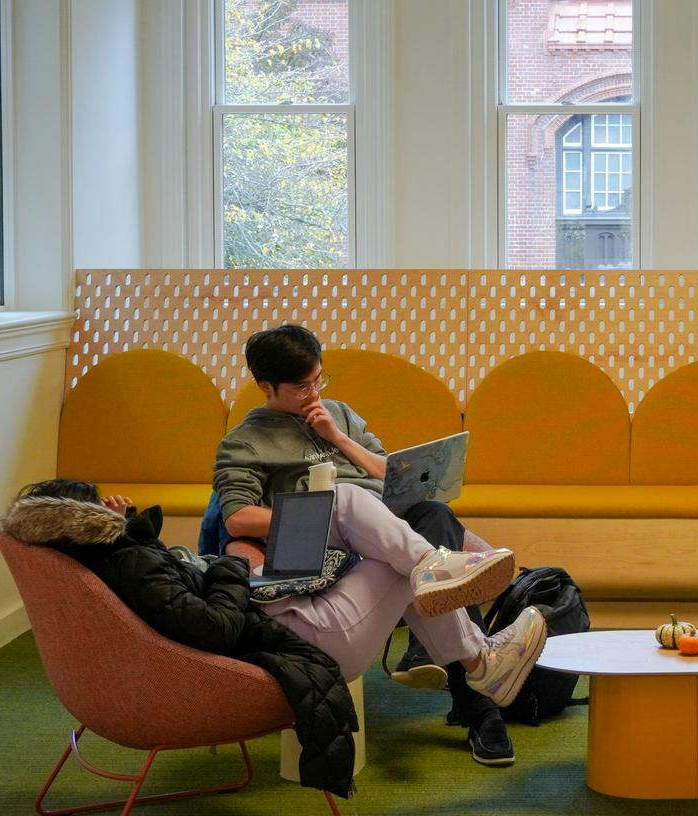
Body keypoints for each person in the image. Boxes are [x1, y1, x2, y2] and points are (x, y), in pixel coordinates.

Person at [213, 323, 544, 767]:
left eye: (319, 380)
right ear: (265, 386)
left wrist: (337, 437)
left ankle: (467, 659)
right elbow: (236, 517)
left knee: (433, 516)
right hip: (313, 545)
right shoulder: (244, 442)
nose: (314, 393)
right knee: (352, 502)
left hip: (381, 527)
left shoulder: (340, 414)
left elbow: (392, 474)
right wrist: (318, 513)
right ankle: (476, 670)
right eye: (301, 387)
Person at [0, 480, 360, 798]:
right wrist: (231, 567)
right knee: (357, 570)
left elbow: (161, 587)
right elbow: (217, 629)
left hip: (124, 678)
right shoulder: (128, 563)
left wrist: (124, 529)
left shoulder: (83, 560)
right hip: (205, 663)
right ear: (87, 518)